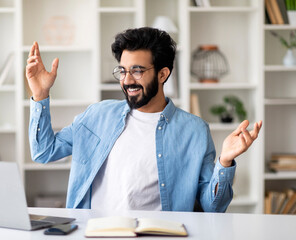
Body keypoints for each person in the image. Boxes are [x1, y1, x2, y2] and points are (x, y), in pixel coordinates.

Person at [26, 27, 262, 212]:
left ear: (163, 74)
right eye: (123, 70)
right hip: (94, 233)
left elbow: (213, 207)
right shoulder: (97, 115)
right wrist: (40, 95)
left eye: (137, 71)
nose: (127, 80)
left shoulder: (194, 130)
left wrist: (225, 162)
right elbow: (43, 152)